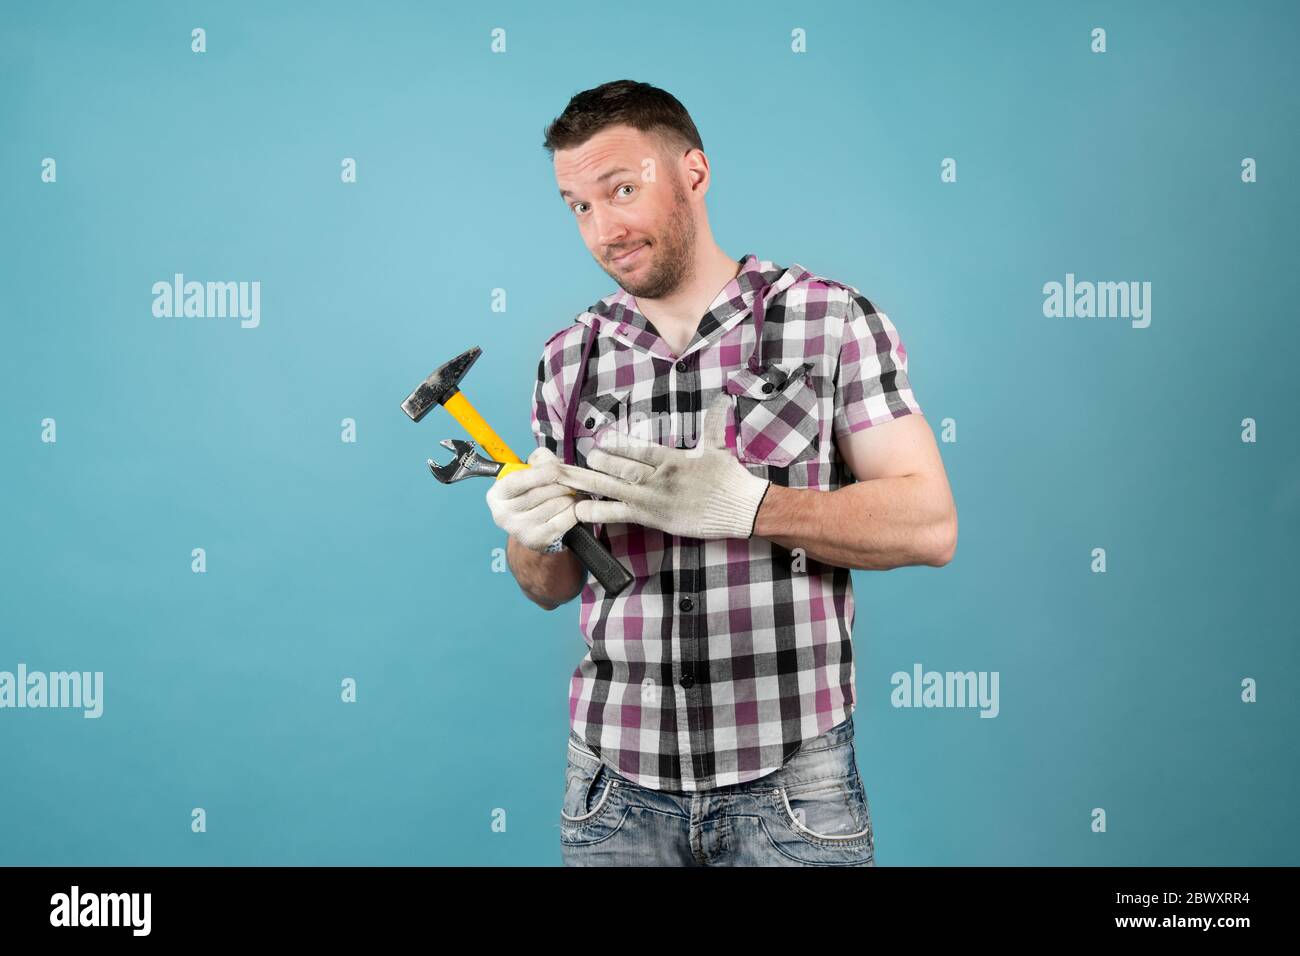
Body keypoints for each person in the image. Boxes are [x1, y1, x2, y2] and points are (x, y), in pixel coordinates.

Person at [486, 80, 957, 866]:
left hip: (791, 790)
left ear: (694, 173)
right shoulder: (568, 359)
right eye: (579, 207)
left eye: (622, 190)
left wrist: (749, 505)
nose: (604, 228)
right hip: (611, 791)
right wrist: (531, 538)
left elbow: (929, 524)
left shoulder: (829, 319)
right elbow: (550, 587)